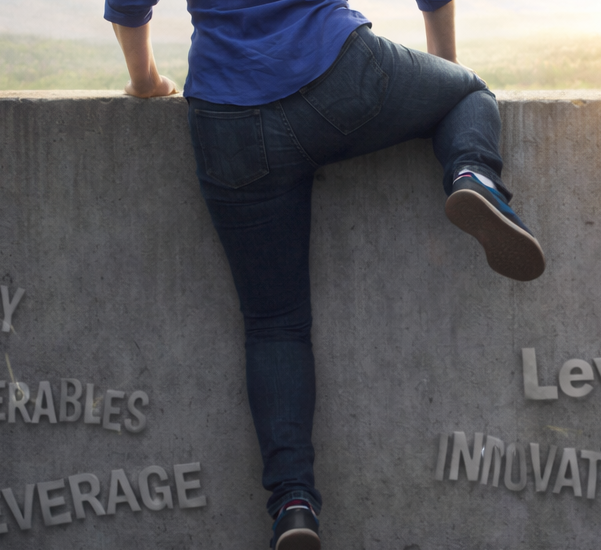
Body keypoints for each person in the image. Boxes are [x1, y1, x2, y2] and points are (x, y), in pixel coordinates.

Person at [104, 1, 546, 548]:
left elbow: (128, 4)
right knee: (467, 91)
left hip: (228, 119)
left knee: (274, 324)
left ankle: (293, 505)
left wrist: (145, 81)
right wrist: (440, 77)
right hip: (341, 72)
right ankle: (473, 175)